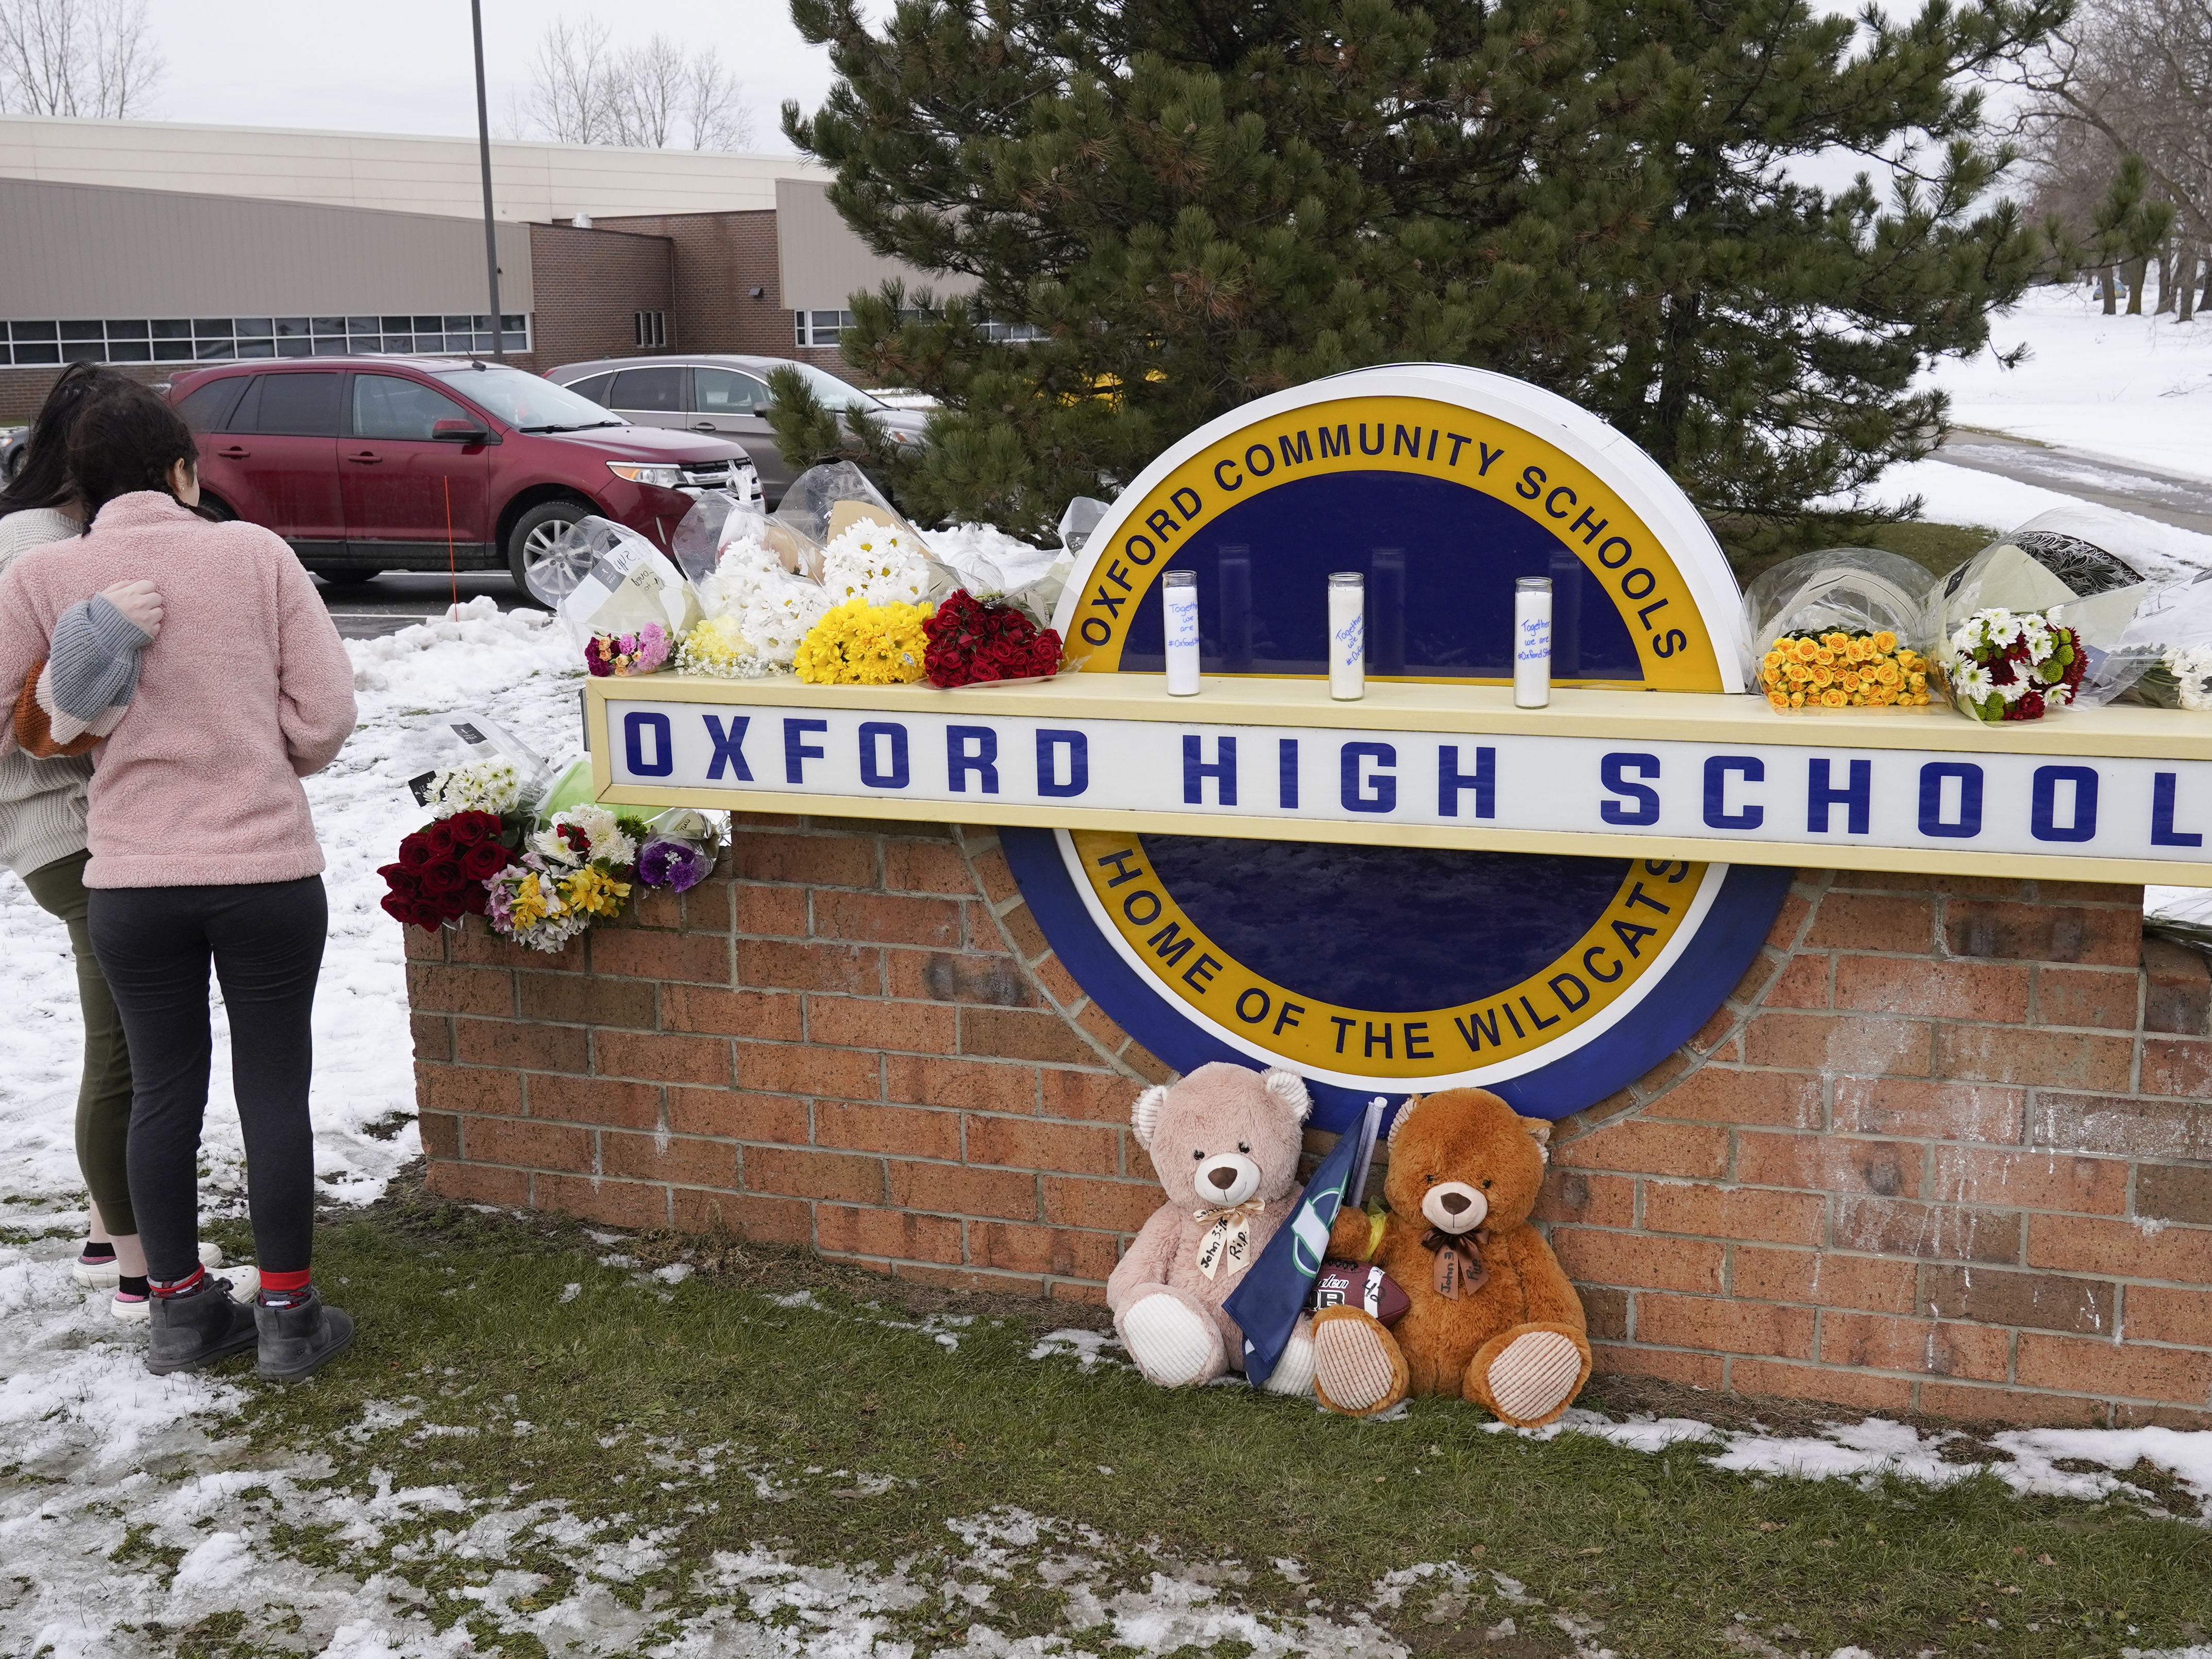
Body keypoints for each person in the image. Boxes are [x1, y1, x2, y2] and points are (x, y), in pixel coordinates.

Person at [0, 381, 359, 1379]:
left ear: (82, 484)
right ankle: (288, 1313)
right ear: (183, 471)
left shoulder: (42, 575)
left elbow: (15, 724)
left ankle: (179, 1311)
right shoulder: (255, 554)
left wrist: (85, 716)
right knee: (273, 1087)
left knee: (163, 1088)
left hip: (131, 878)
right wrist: (273, 746)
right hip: (265, 869)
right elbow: (327, 713)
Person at [0, 362, 227, 1322]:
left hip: (107, 823)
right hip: (69, 825)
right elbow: (32, 709)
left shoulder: (73, 528)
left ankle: (108, 1226)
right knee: (128, 1045)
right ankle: (142, 1266)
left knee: (128, 1035)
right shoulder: (34, 547)